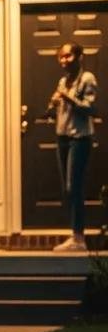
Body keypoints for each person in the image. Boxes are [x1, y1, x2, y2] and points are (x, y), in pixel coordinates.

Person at [47, 42, 98, 251]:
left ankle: (79, 238)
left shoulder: (87, 78)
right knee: (67, 189)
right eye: (61, 57)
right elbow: (58, 111)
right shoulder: (63, 81)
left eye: (67, 56)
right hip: (63, 138)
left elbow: (89, 108)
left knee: (74, 186)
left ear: (79, 57)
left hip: (80, 139)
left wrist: (67, 97)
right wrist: (52, 104)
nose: (63, 60)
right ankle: (74, 235)